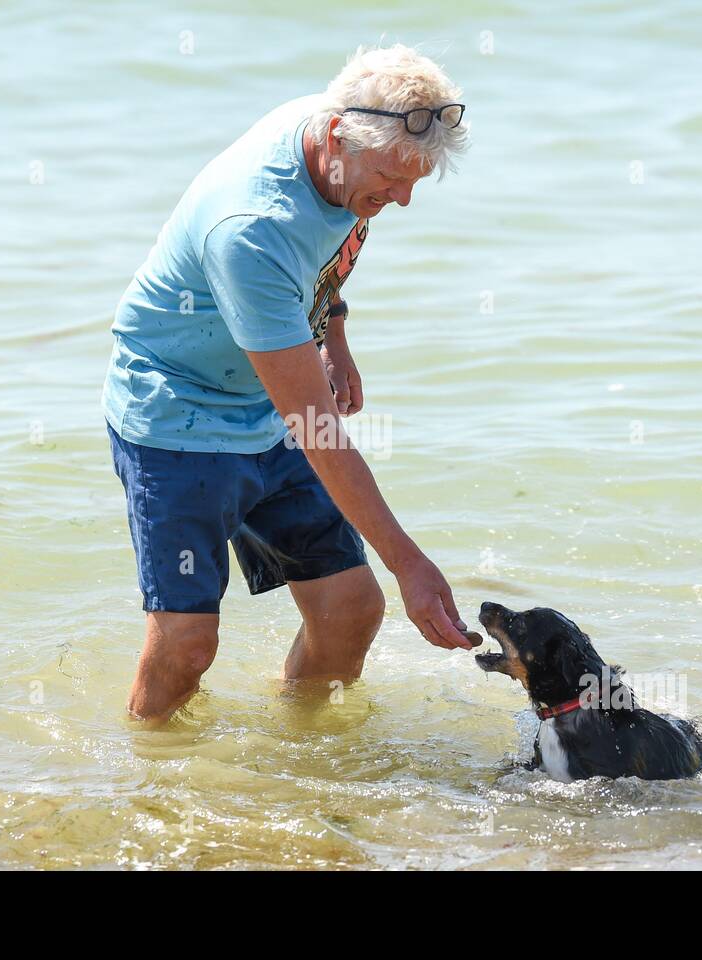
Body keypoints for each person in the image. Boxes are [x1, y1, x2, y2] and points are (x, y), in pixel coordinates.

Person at [102, 44, 471, 724]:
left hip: (268, 404)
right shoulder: (252, 228)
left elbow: (328, 252)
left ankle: (294, 760)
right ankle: (148, 785)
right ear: (338, 138)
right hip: (177, 416)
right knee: (187, 648)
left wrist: (333, 336)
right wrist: (409, 564)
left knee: (351, 614)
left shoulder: (342, 141)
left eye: (415, 181)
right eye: (392, 179)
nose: (403, 199)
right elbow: (317, 429)